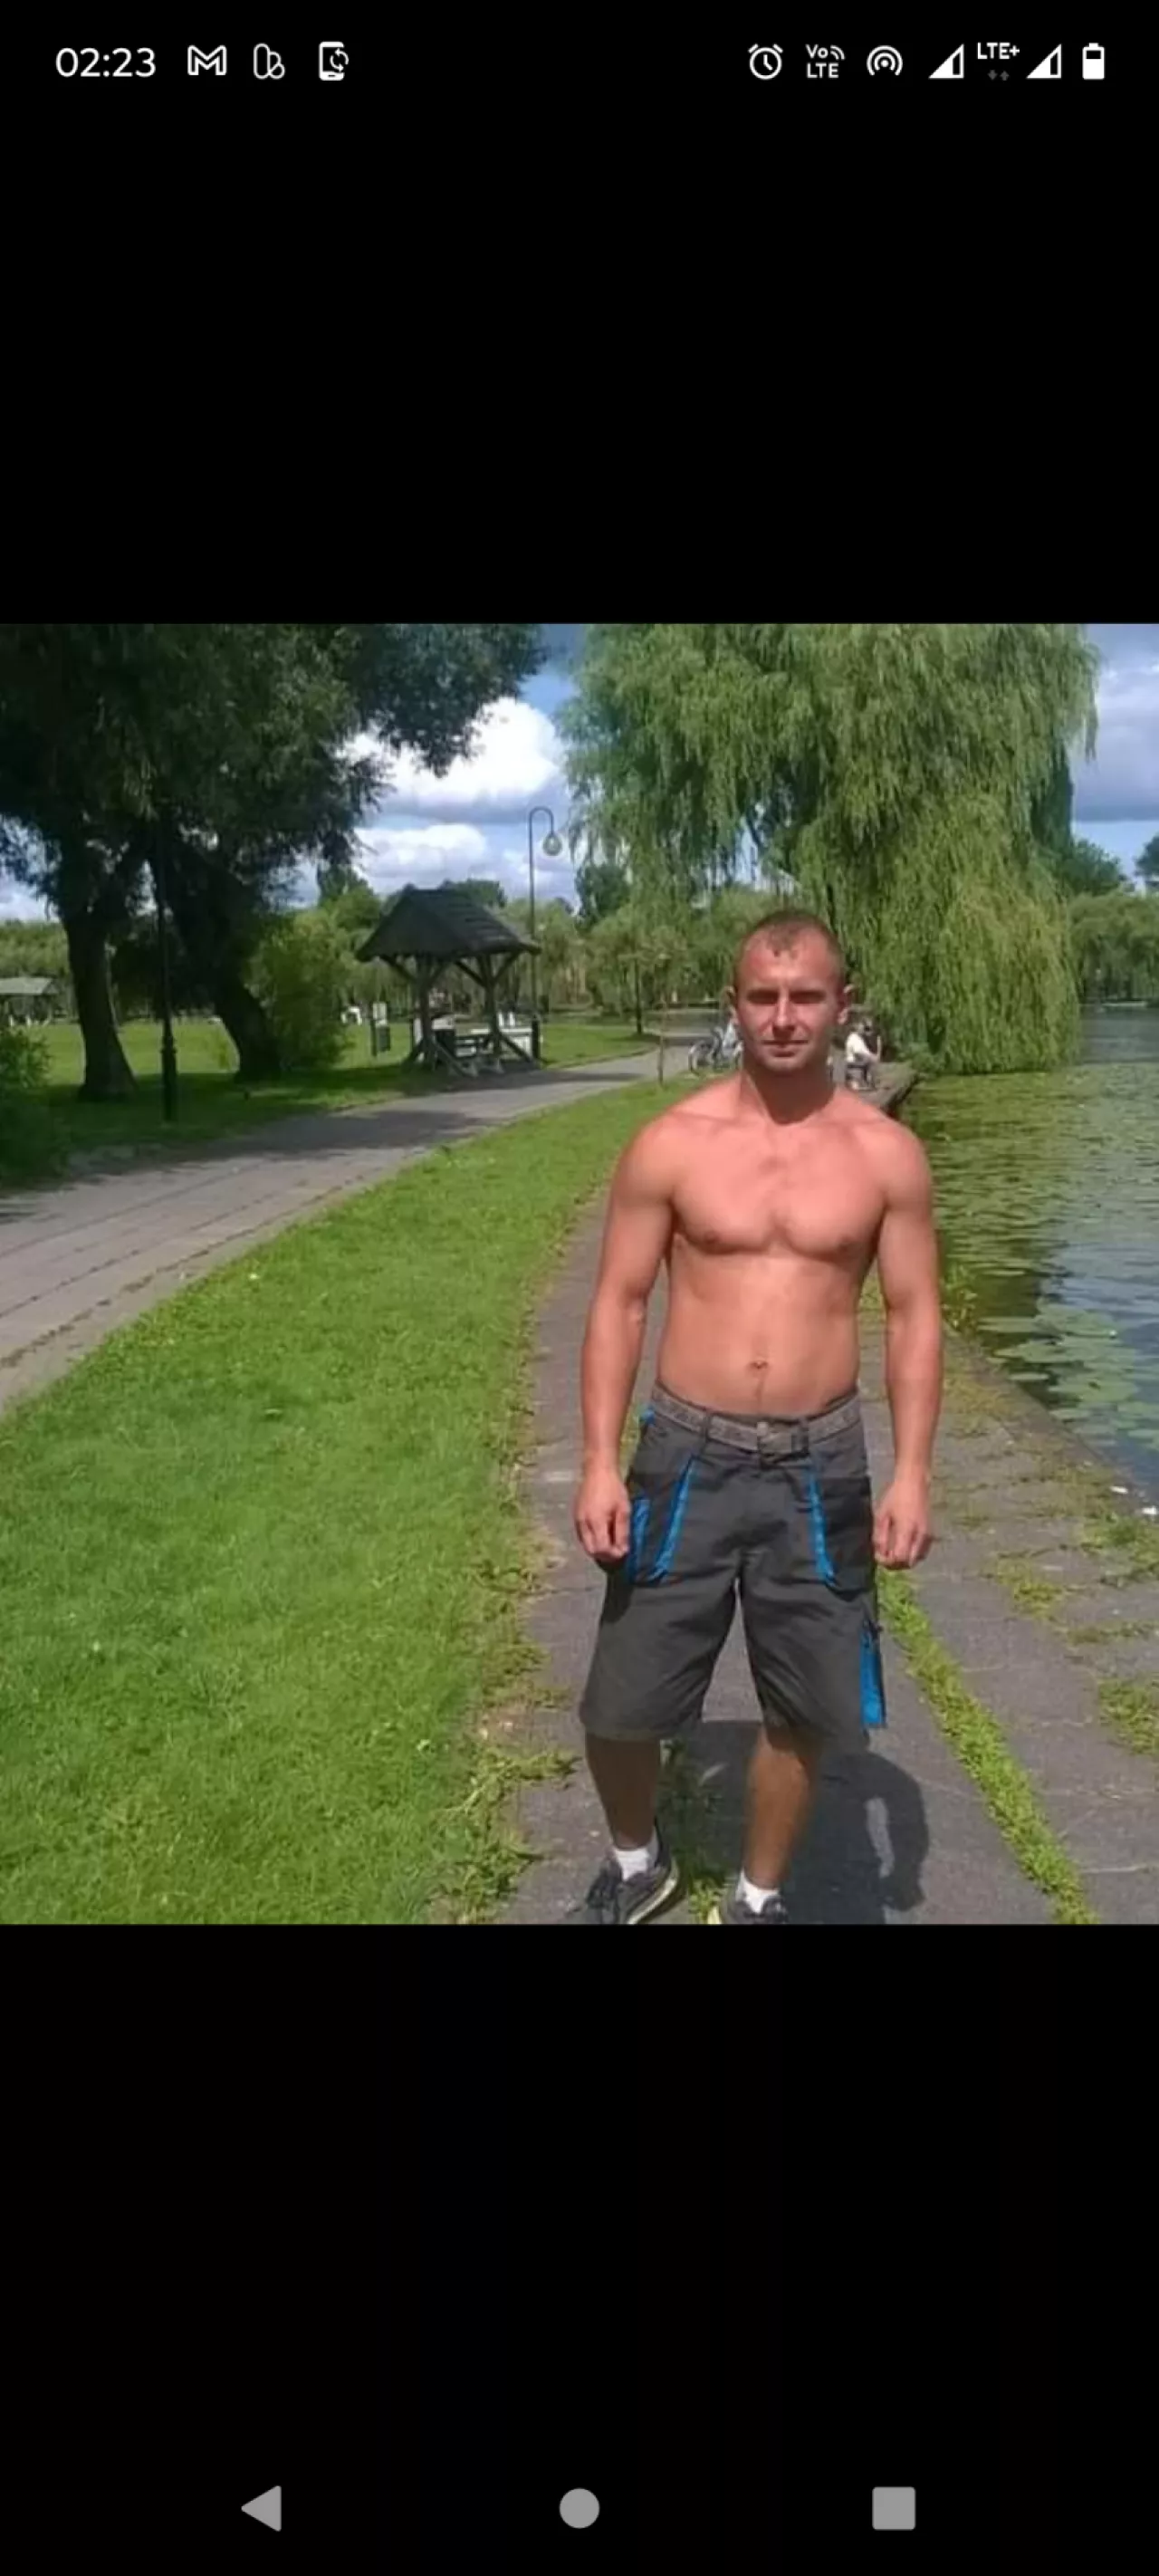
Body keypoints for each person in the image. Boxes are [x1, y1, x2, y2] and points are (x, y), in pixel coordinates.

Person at [568, 909, 941, 1925]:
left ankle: (756, 1897)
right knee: (621, 1699)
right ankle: (637, 1862)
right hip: (686, 1451)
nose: (783, 1018)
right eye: (763, 997)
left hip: (820, 1465)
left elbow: (913, 1315)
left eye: (805, 997)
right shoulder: (670, 1144)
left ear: (841, 1005)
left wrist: (912, 1472)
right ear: (733, 1006)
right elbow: (619, 1303)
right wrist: (597, 1459)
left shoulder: (885, 1155)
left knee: (806, 1704)